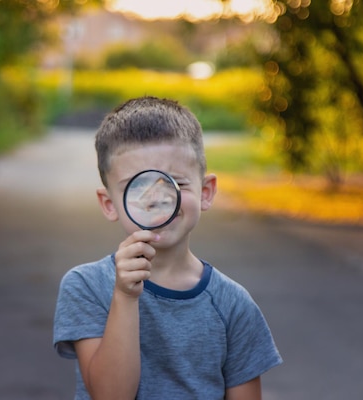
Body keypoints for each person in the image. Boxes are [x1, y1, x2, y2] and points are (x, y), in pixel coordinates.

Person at [53, 96, 282, 399]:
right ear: (109, 205)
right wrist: (124, 296)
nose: (157, 199)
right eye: (138, 186)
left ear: (205, 192)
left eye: (176, 183)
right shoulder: (86, 287)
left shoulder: (234, 304)